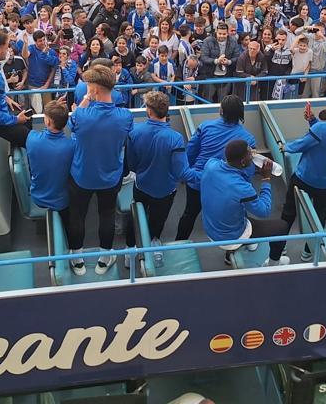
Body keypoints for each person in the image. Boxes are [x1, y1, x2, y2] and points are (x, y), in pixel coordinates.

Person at [271, 96, 326, 263]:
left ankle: (278, 249)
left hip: (304, 178)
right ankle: (308, 252)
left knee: (288, 214)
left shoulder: (321, 129)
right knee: (319, 216)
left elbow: (303, 144)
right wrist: (312, 120)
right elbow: (323, 136)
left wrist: (284, 147)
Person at [66, 63, 133, 275]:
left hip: (82, 177)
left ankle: (76, 258)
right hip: (110, 177)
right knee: (106, 215)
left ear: (94, 89)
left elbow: (73, 123)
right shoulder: (125, 117)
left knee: (77, 215)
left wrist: (85, 99)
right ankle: (105, 257)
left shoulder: (81, 115)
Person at [175, 95, 257, 241]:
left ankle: (179, 245)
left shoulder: (205, 127)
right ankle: (230, 252)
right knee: (232, 217)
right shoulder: (248, 139)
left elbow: (191, 151)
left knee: (189, 214)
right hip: (227, 187)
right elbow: (247, 170)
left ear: (221, 111)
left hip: (197, 181)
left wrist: (188, 174)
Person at [201, 138, 286, 267]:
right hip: (229, 237)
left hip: (210, 227)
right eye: (249, 154)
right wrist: (266, 179)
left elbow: (233, 172)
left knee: (236, 206)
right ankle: (274, 263)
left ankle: (233, 254)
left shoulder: (210, 165)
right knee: (281, 227)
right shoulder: (242, 189)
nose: (252, 155)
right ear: (243, 162)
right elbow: (264, 211)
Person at [123, 89, 188, 260]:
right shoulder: (176, 138)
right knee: (157, 220)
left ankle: (130, 250)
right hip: (165, 190)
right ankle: (152, 244)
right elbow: (180, 171)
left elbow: (131, 164)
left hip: (141, 185)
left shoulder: (134, 133)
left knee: (136, 215)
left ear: (149, 111)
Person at [25, 98, 73, 217]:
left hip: (38, 199)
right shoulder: (72, 146)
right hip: (63, 202)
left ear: (48, 121)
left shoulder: (31, 139)